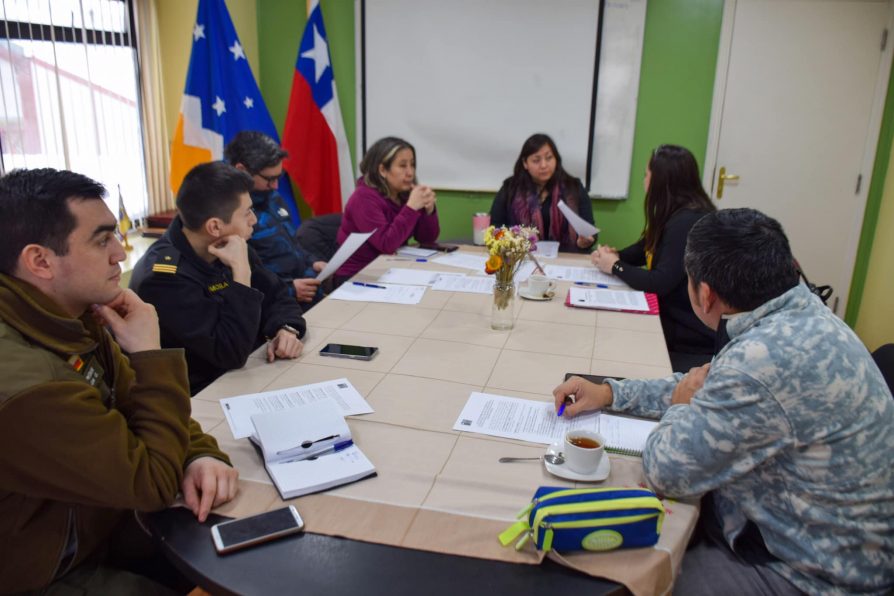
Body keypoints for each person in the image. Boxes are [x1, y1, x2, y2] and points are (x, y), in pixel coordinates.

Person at [555, 209, 894, 595]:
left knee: (632, 571)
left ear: (705, 294)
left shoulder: (760, 360)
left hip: (813, 575)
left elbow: (666, 471)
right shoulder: (797, 314)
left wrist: (681, 408)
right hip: (844, 546)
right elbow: (705, 383)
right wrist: (612, 392)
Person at [0, 168, 238, 593]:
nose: (121, 254)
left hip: (96, 522)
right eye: (102, 239)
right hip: (44, 569)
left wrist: (201, 454)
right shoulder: (28, 383)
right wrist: (151, 354)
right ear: (40, 261)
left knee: (238, 544)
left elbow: (138, 402)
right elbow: (151, 483)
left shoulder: (68, 316)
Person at [130, 162, 306, 395]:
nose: (253, 220)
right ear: (214, 226)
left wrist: (286, 328)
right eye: (246, 213)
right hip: (203, 394)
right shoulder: (164, 280)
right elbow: (229, 353)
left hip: (249, 374)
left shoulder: (228, 244)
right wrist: (241, 274)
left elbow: (278, 295)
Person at [591, 145, 716, 369]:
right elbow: (644, 249)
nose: (644, 180)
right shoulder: (675, 212)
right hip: (670, 320)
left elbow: (659, 282)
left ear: (661, 180)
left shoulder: (687, 221)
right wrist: (615, 255)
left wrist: (615, 266)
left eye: (647, 174)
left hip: (687, 336)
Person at [225, 131, 328, 308]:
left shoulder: (273, 197)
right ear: (241, 170)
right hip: (274, 304)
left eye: (278, 177)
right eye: (270, 179)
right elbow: (239, 274)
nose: (275, 185)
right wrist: (290, 288)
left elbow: (292, 244)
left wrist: (313, 261)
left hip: (306, 294)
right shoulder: (230, 213)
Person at [335, 136, 439, 279]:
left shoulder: (404, 194)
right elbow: (386, 244)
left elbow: (427, 238)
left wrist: (429, 210)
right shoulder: (363, 198)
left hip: (391, 269)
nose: (410, 172)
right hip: (356, 276)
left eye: (412, 165)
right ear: (383, 170)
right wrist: (411, 208)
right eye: (403, 166)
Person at [489, 133, 596, 252]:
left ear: (556, 159)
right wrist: (518, 233)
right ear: (525, 163)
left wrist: (584, 242)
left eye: (549, 158)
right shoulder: (510, 188)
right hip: (522, 259)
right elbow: (495, 228)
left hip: (567, 259)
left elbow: (591, 232)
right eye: (536, 160)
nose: (544, 165)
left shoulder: (574, 188)